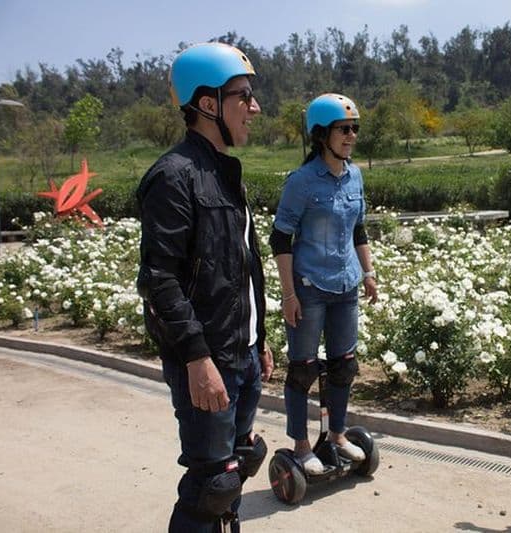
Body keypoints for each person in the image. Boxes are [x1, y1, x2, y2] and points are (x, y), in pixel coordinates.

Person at [136, 42, 274, 533]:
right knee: (210, 488)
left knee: (236, 469)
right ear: (208, 104)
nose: (255, 107)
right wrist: (196, 359)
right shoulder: (174, 177)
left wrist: (262, 337)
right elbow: (159, 280)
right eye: (244, 95)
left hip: (243, 354)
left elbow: (242, 265)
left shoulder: (225, 173)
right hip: (207, 362)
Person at [269, 93, 378, 475]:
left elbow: (359, 229)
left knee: (343, 366)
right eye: (343, 129)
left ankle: (337, 435)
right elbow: (280, 239)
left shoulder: (355, 174)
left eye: (354, 129)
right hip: (309, 287)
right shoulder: (301, 182)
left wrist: (368, 273)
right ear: (321, 135)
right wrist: (288, 294)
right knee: (303, 368)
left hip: (346, 286)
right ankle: (300, 445)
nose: (351, 136)